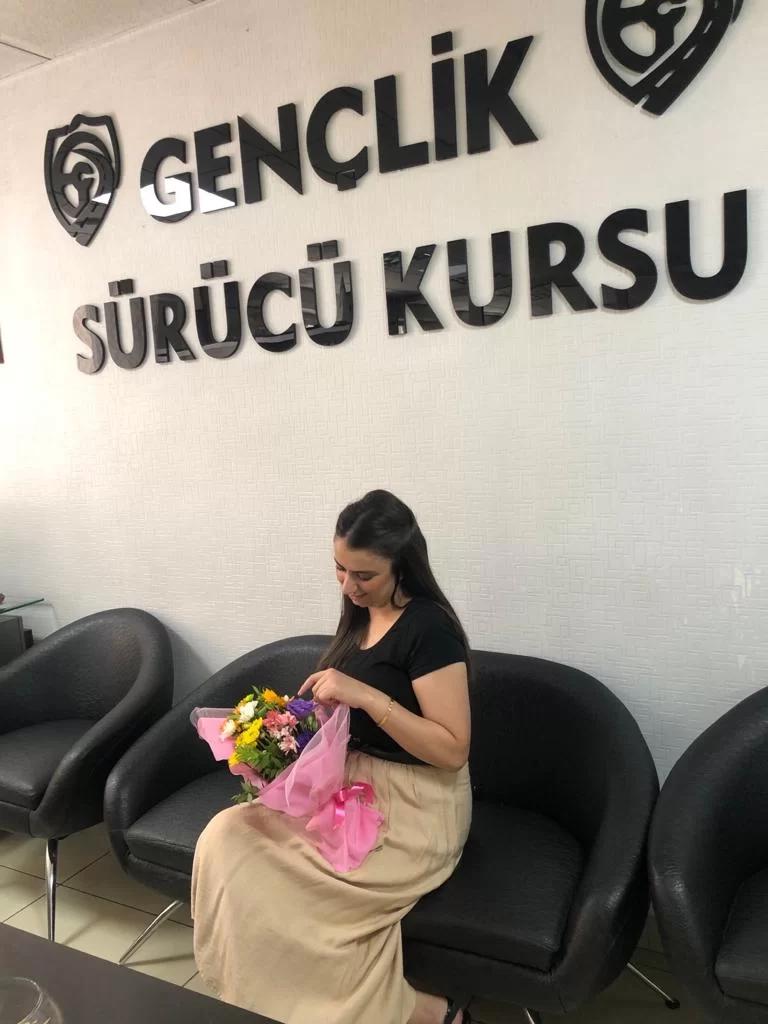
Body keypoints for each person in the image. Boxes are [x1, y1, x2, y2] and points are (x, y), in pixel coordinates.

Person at [192, 490, 473, 1024]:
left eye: (364, 575)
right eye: (339, 569)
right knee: (227, 837)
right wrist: (286, 732)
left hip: (414, 808)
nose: (348, 586)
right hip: (349, 790)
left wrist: (365, 696)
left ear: (402, 564)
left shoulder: (428, 628)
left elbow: (453, 750)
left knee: (297, 892)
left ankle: (420, 1011)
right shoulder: (360, 616)